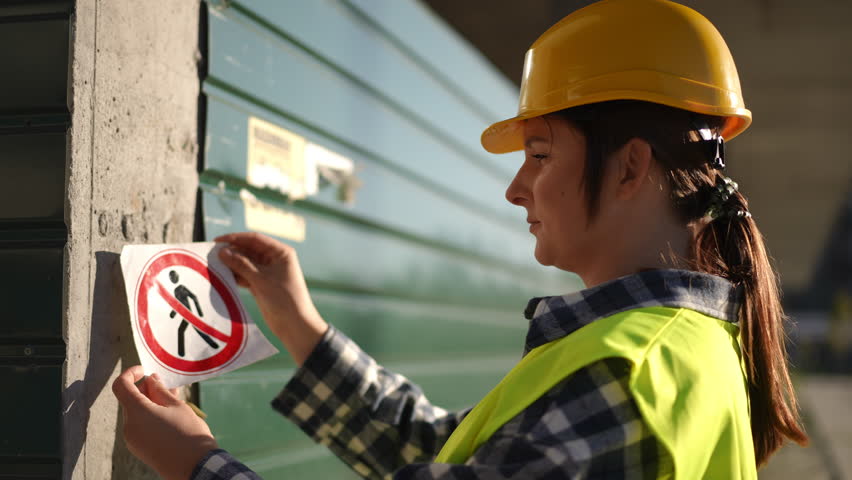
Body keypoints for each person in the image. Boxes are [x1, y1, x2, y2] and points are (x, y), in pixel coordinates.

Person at [112, 0, 810, 478]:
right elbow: (446, 454)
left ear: (629, 166)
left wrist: (197, 465)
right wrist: (302, 331)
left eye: (539, 155)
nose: (515, 189)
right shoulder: (681, 351)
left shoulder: (626, 378)